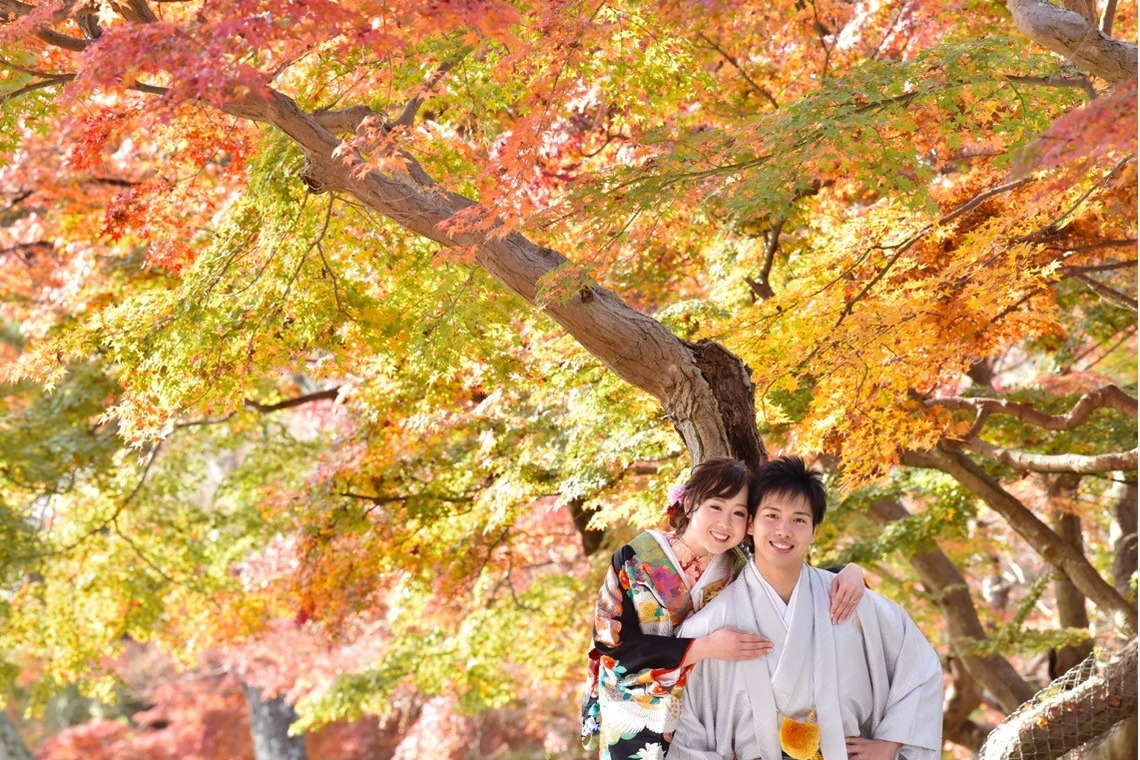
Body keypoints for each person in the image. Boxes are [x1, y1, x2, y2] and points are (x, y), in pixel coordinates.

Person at [581, 457, 867, 760]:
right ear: (690, 503)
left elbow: (792, 581)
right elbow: (612, 645)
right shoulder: (635, 558)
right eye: (716, 507)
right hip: (637, 715)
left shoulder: (737, 566)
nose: (725, 523)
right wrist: (703, 647)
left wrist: (849, 571)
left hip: (711, 716)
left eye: (739, 513)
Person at [668, 456, 943, 760]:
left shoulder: (852, 603)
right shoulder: (710, 627)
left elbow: (920, 668)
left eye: (799, 519)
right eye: (771, 516)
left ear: (813, 531)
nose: (784, 531)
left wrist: (891, 744)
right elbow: (689, 732)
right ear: (750, 524)